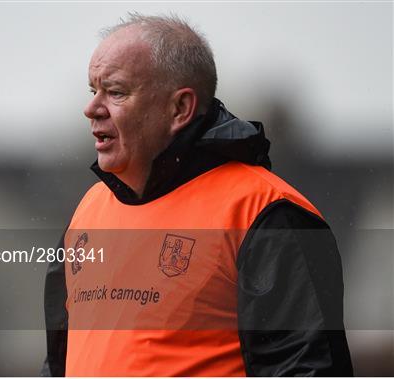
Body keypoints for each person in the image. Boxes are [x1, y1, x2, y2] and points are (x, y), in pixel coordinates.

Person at [41, 13, 353, 376]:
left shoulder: (266, 214)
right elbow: (59, 364)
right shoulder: (88, 211)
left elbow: (307, 368)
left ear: (180, 109)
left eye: (116, 92)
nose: (92, 108)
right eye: (92, 91)